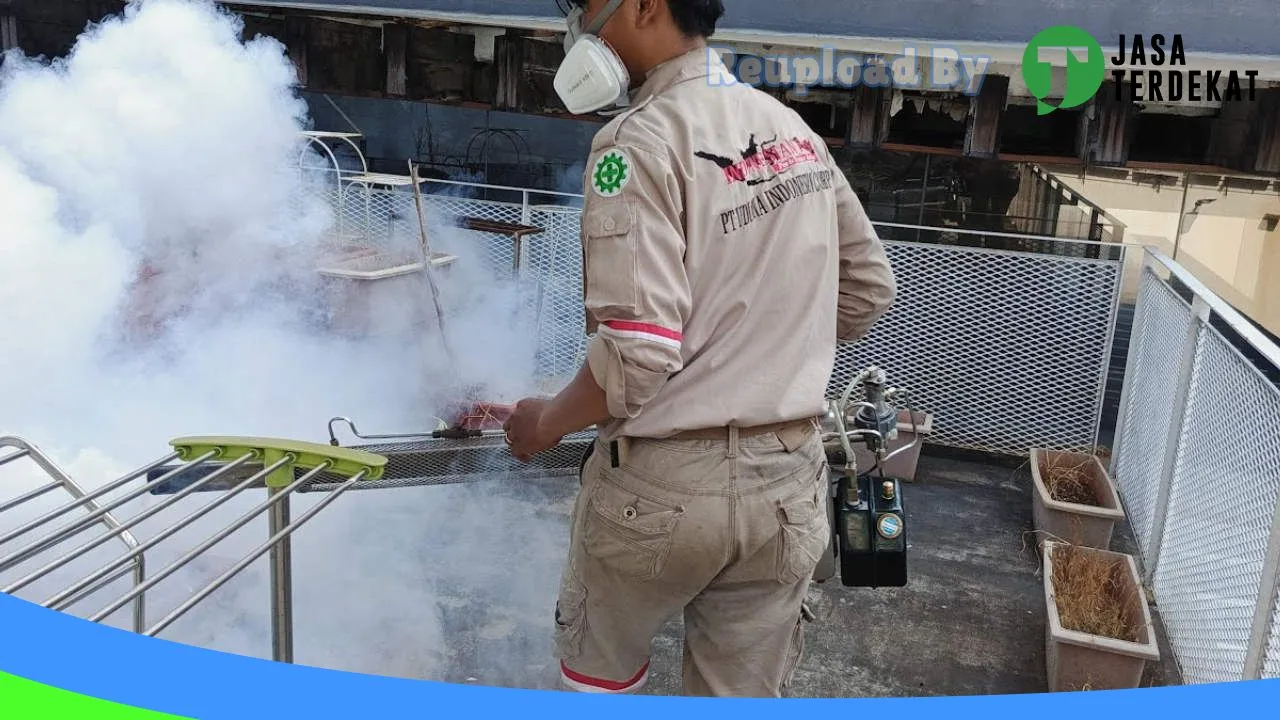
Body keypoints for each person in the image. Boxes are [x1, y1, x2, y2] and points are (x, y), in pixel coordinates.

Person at [502, 0, 897, 698]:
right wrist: (763, 350)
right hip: (786, 487)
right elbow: (868, 287)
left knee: (598, 686)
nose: (579, 32)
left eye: (585, 9)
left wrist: (546, 423)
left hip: (661, 490)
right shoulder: (792, 130)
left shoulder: (636, 143)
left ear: (644, 6)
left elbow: (637, 355)